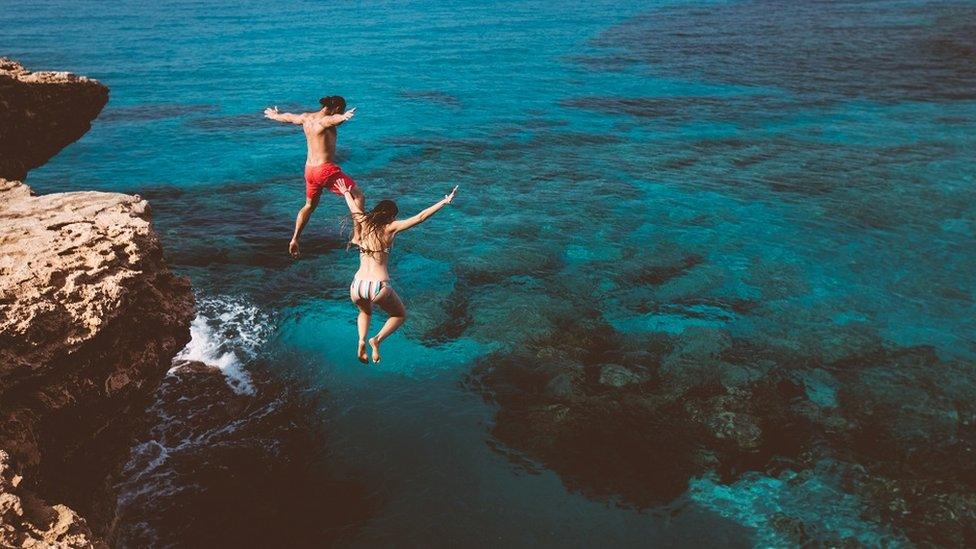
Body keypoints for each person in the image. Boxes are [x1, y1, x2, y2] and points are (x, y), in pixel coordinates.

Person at [335, 179, 459, 363]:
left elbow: (353, 207)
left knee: (365, 312)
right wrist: (444, 201)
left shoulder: (363, 222)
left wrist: (346, 192)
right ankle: (376, 340)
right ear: (391, 216)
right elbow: (420, 217)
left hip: (357, 286)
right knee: (399, 315)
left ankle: (360, 340)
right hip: (378, 286)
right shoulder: (391, 228)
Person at [263, 96, 364, 257]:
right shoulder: (325, 121)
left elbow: (289, 117)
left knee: (309, 206)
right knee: (358, 195)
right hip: (325, 170)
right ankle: (357, 237)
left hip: (309, 170)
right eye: (342, 110)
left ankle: (295, 239)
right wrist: (343, 117)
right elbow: (333, 121)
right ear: (337, 108)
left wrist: (275, 115)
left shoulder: (306, 117)